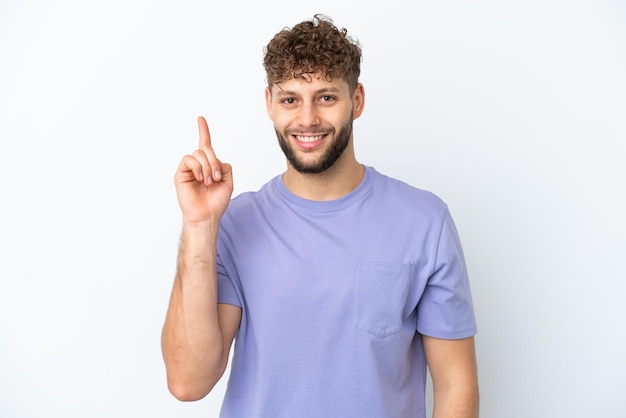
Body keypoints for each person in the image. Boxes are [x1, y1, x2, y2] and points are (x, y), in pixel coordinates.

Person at [162, 14, 479, 418]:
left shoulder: (425, 223)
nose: (307, 119)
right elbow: (189, 382)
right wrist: (199, 227)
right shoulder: (234, 224)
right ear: (269, 104)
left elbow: (456, 386)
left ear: (357, 100)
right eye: (290, 99)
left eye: (326, 97)